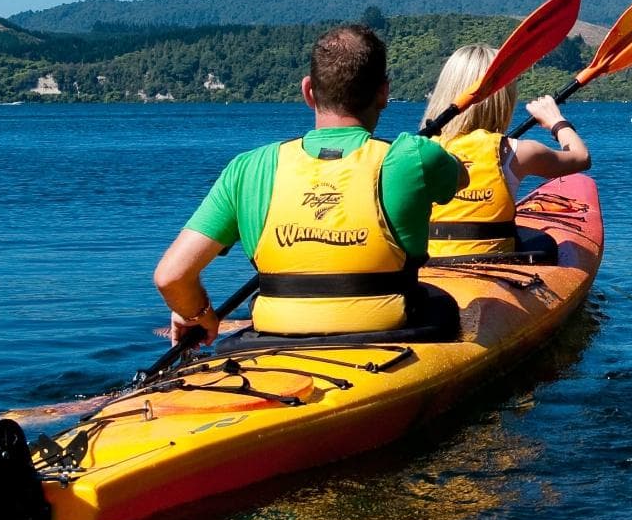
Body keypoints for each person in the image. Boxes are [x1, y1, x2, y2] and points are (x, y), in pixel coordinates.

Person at [153, 23, 463, 343]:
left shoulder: (248, 167)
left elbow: (171, 276)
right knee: (442, 305)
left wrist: (197, 313)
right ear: (384, 93)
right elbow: (459, 178)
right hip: (389, 334)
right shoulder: (413, 155)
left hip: (274, 338)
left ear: (308, 91)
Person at [423, 43, 591, 260]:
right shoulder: (517, 151)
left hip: (431, 261)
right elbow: (581, 157)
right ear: (503, 99)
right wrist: (556, 121)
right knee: (545, 244)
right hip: (493, 259)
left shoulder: (420, 149)